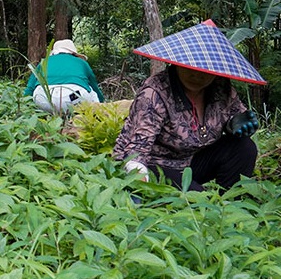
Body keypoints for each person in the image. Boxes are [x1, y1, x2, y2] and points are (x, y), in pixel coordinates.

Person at [113, 20, 262, 191]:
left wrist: (233, 126)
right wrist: (137, 176)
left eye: (206, 69)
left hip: (190, 161)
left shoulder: (221, 88)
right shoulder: (155, 92)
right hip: (153, 163)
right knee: (198, 198)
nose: (197, 75)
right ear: (177, 62)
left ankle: (229, 203)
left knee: (245, 148)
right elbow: (136, 151)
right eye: (191, 66)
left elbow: (236, 117)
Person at [24, 39, 105, 115]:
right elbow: (94, 86)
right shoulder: (81, 62)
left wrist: (24, 108)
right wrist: (102, 101)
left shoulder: (44, 62)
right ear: (73, 53)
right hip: (74, 97)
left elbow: (30, 88)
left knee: (39, 92)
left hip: (44, 98)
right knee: (91, 92)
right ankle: (98, 116)